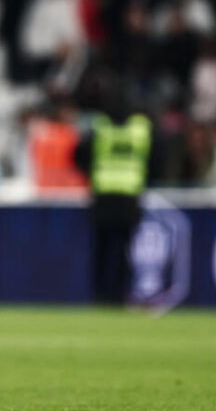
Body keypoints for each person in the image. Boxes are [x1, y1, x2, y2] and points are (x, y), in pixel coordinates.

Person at [76, 82, 154, 304]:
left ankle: (99, 295)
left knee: (101, 250)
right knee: (124, 250)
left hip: (103, 195)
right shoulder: (140, 130)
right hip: (129, 197)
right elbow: (156, 158)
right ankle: (120, 295)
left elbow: (78, 155)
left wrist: (92, 173)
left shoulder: (100, 127)